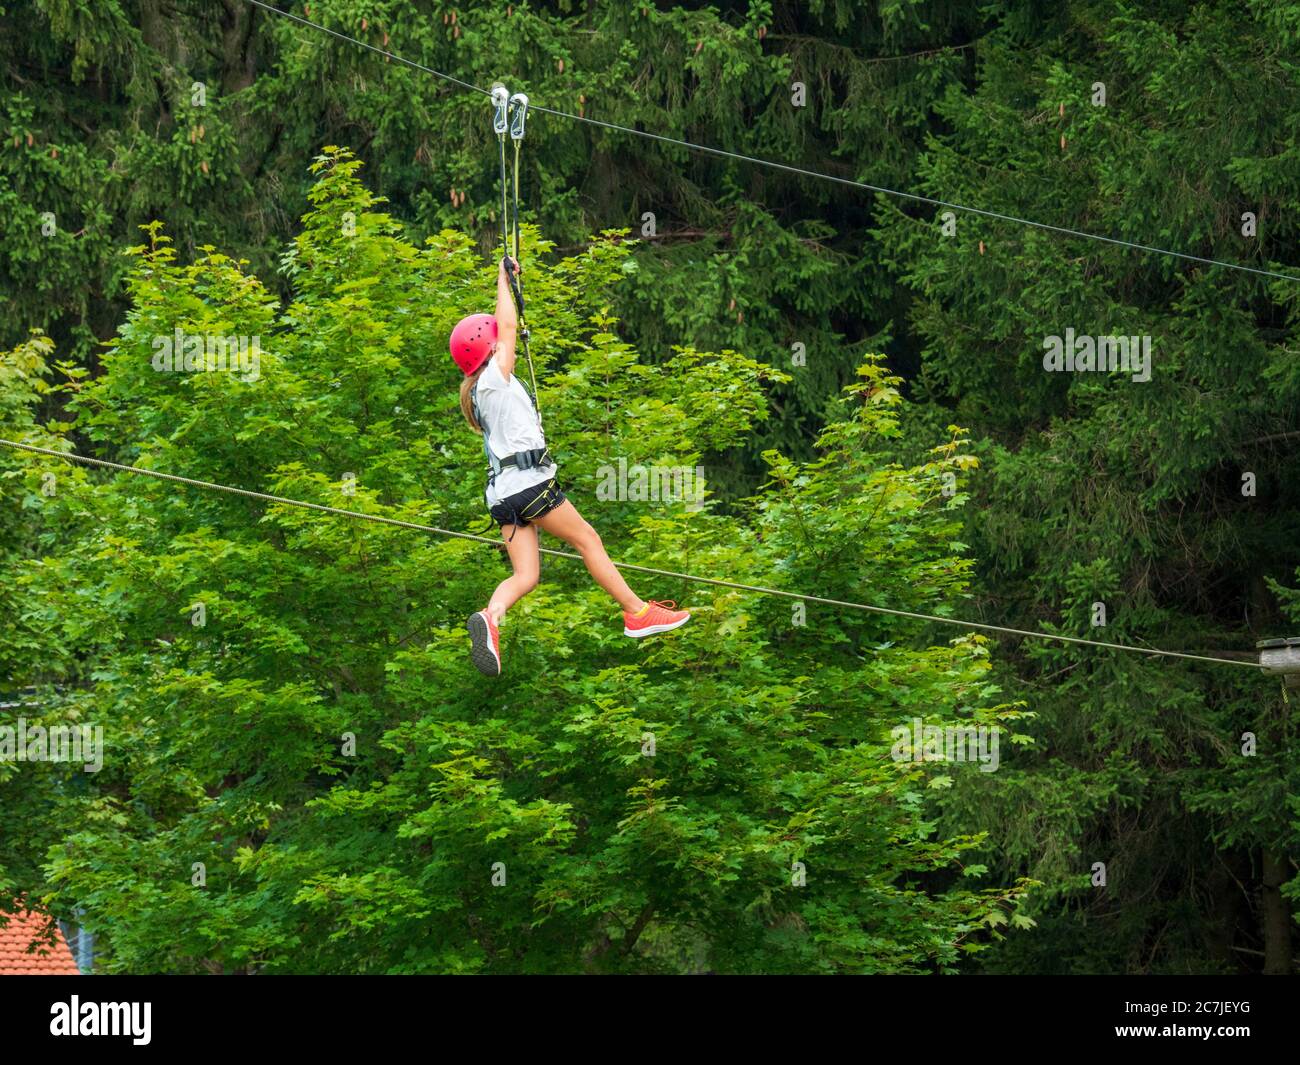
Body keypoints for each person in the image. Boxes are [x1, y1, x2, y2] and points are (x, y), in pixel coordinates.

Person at [451, 257, 690, 676]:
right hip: (530, 486)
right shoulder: (493, 380)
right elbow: (505, 327)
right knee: (588, 541)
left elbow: (507, 331)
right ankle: (636, 613)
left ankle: (491, 616)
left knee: (525, 576)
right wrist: (502, 280)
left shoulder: (480, 391)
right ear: (488, 347)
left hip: (504, 497)